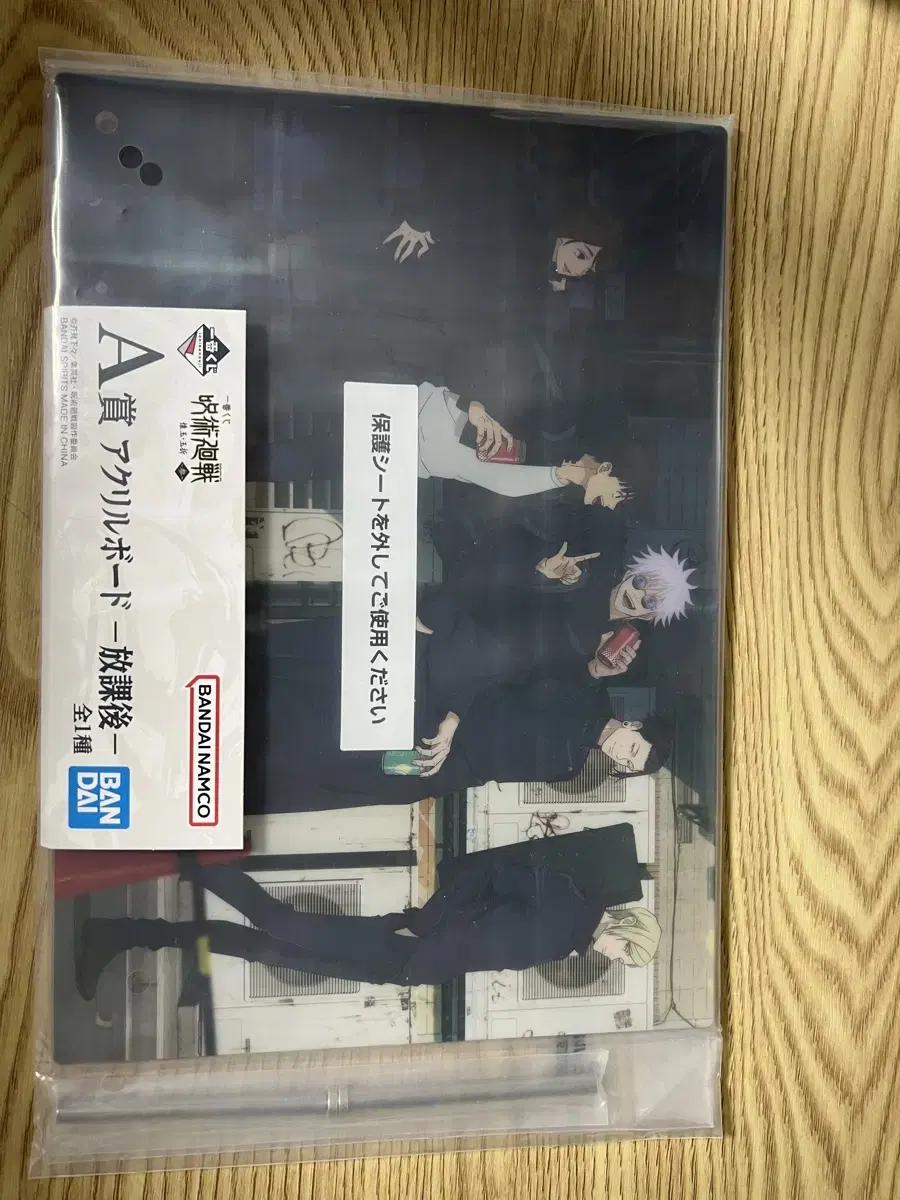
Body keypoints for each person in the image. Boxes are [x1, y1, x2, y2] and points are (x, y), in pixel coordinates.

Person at [74, 826, 661, 999]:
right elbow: (487, 875)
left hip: (403, 967)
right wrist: (428, 920)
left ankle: (123, 933)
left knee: (263, 947)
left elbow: (486, 938)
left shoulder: (566, 941)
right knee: (275, 922)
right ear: (625, 931)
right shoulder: (566, 899)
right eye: (625, 956)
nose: (614, 960)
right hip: (403, 945)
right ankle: (186, 848)